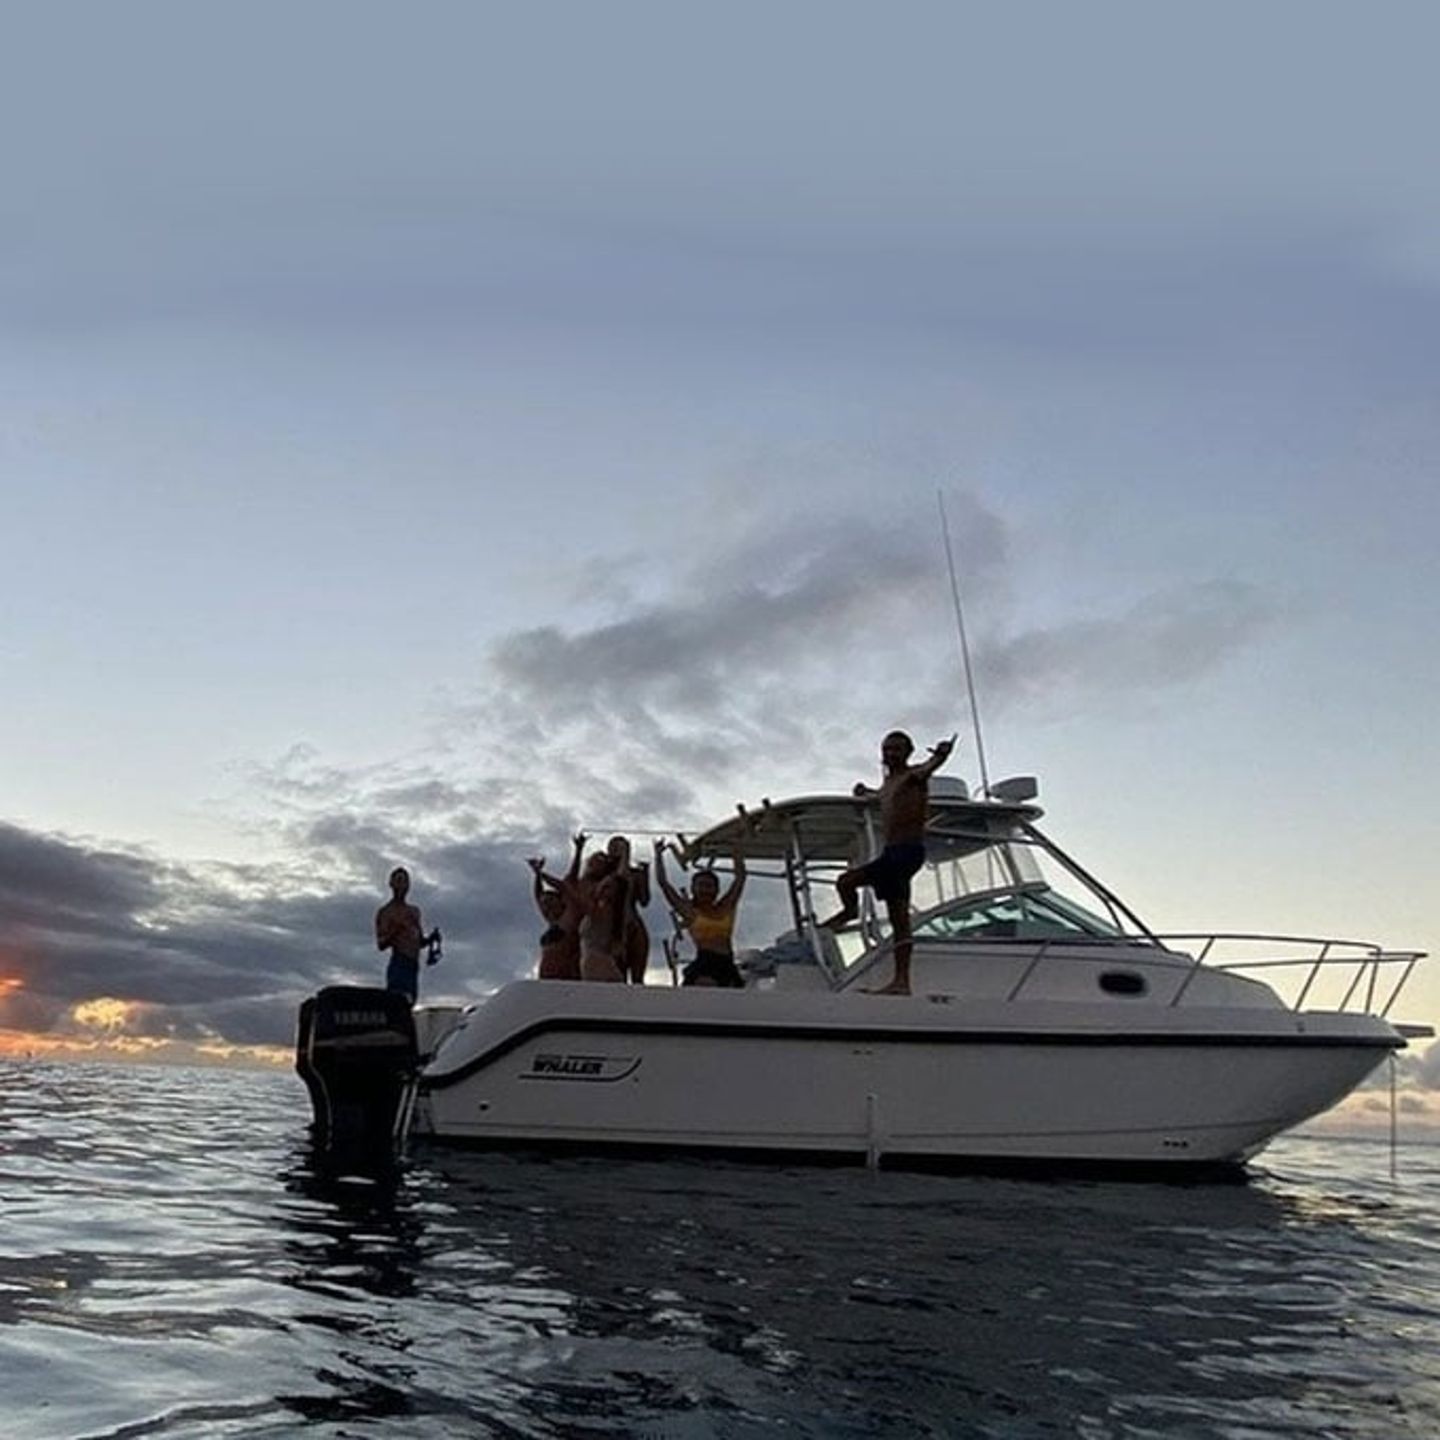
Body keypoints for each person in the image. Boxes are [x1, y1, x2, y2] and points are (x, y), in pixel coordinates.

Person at [822, 730, 957, 996]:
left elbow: (929, 768)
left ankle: (850, 913)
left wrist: (941, 755)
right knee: (899, 920)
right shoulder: (888, 785)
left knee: (846, 881)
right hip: (892, 852)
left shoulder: (913, 776)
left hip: (906, 852)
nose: (890, 754)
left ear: (908, 752)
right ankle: (901, 983)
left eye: (896, 749)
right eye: (887, 749)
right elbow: (880, 798)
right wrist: (865, 792)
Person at [653, 837, 747, 988]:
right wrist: (658, 855)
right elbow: (664, 884)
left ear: (716, 889)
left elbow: (740, 878)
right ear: (693, 889)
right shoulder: (689, 911)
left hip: (727, 963)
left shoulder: (726, 905)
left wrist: (735, 851)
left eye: (709, 886)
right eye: (701, 885)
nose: (705, 890)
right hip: (705, 962)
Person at [375, 866, 441, 1003]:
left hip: (413, 965)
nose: (402, 885)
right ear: (391, 883)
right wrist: (397, 930)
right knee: (398, 1002)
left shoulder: (413, 911)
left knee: (411, 1001)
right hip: (399, 963)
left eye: (405, 881)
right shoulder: (386, 912)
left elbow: (419, 941)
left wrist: (431, 939)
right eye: (399, 880)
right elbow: (381, 944)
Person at [528, 847, 583, 981]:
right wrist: (537, 875)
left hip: (567, 976)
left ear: (560, 902)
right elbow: (538, 894)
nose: (547, 908)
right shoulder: (552, 923)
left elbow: (569, 884)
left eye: (551, 903)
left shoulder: (569, 918)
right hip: (547, 977)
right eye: (545, 905)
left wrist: (578, 850)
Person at [607, 835, 651, 984]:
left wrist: (645, 875)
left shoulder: (635, 873)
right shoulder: (604, 873)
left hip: (633, 922)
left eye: (622, 848)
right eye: (615, 848)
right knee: (616, 974)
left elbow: (645, 900)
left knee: (638, 975)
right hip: (611, 925)